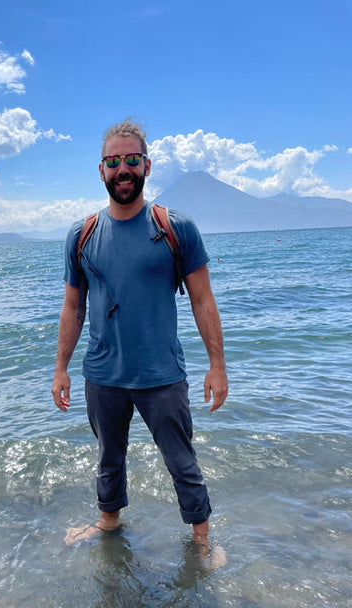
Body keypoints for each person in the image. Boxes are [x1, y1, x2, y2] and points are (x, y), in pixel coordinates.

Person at [52, 119, 228, 555]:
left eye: (132, 159)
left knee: (181, 462)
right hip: (103, 375)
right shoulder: (82, 234)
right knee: (108, 460)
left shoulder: (175, 227)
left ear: (146, 166)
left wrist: (217, 366)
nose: (123, 169)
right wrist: (60, 368)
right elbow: (73, 307)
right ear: (101, 171)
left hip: (161, 374)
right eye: (114, 162)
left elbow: (203, 301)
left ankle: (202, 540)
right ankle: (108, 524)